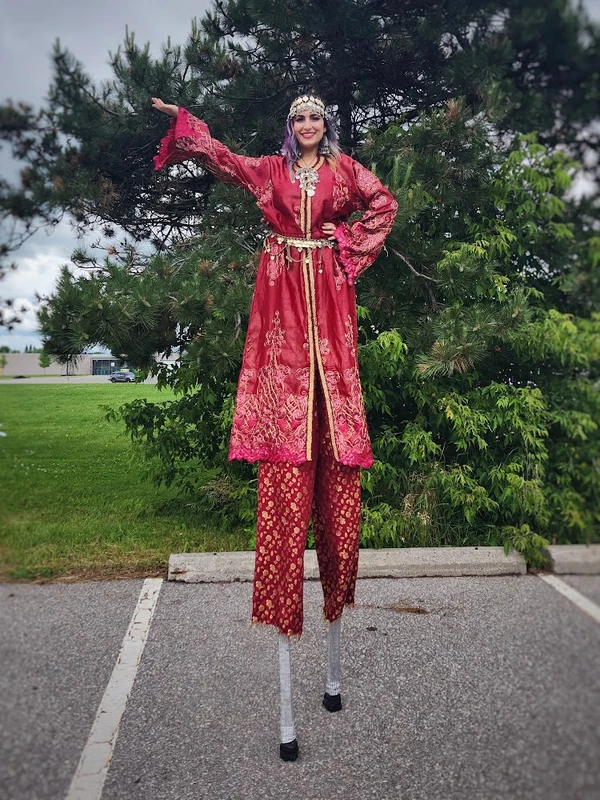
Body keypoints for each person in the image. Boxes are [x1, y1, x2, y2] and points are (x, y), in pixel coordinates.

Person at [152, 93, 398, 761]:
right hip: (284, 295)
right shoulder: (271, 171)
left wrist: (345, 246)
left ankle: (333, 658)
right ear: (290, 128)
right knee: (285, 459)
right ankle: (292, 690)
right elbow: (224, 161)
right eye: (299, 119)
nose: (308, 126)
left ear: (327, 126)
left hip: (330, 297)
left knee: (338, 484)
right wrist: (187, 127)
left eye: (316, 118)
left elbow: (385, 205)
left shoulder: (347, 171)